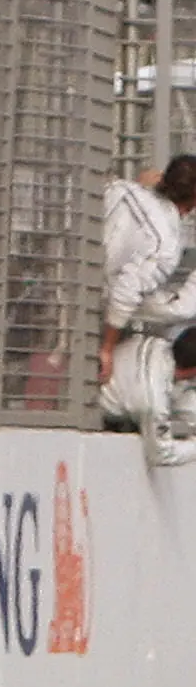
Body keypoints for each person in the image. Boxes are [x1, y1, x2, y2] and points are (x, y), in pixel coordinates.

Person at [99, 156, 196, 466]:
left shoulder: (120, 188)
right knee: (185, 308)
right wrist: (108, 348)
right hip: (106, 293)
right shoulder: (166, 243)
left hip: (76, 278)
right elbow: (126, 292)